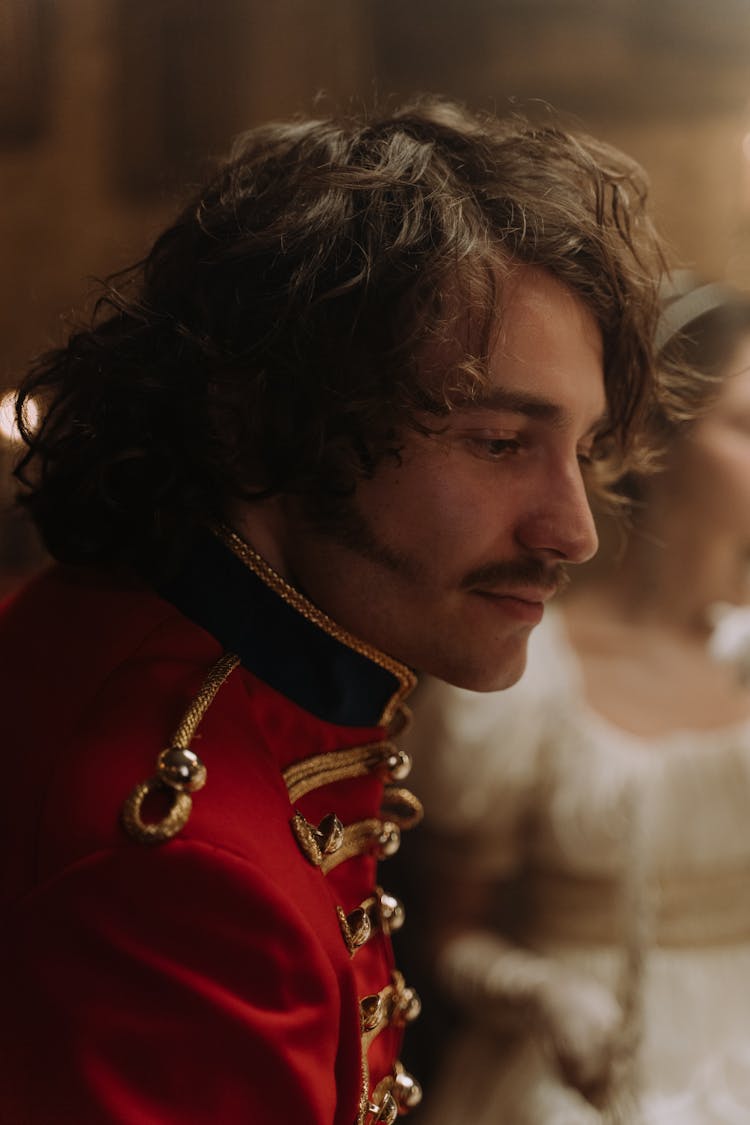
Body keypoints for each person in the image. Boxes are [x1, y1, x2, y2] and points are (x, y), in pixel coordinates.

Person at [0, 98, 668, 1124]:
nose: (572, 531)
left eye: (580, 451)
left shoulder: (137, 624)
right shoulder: (179, 864)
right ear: (261, 422)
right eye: (498, 442)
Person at [400, 272, 750, 1123]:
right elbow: (445, 931)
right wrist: (543, 996)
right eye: (749, 426)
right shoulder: (525, 668)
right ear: (657, 445)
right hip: (576, 1074)